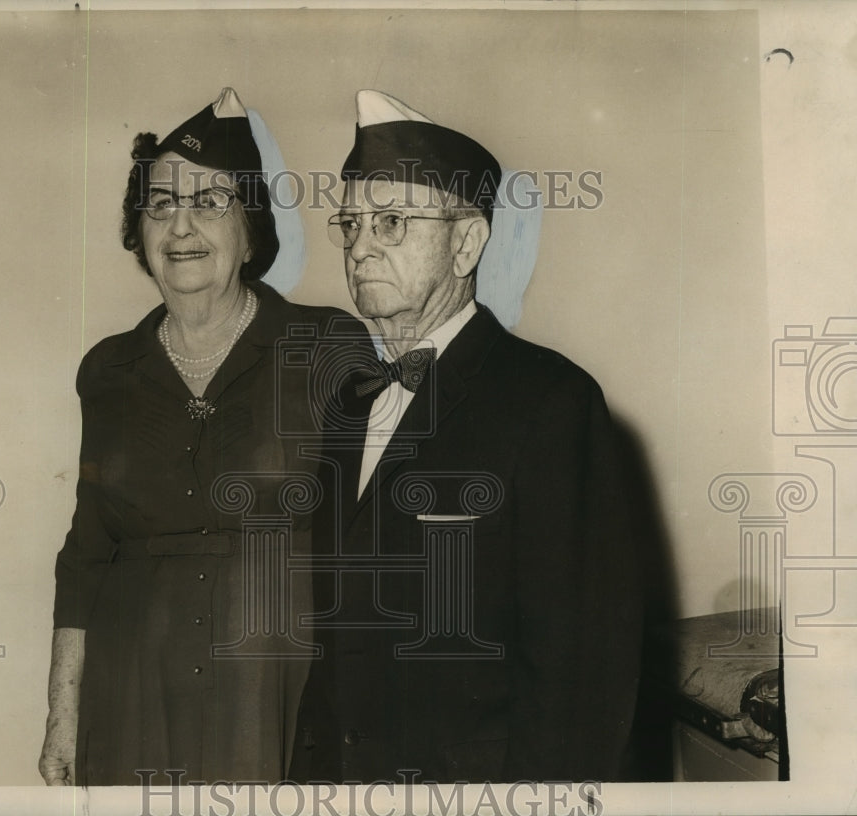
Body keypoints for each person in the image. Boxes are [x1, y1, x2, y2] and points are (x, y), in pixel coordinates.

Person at [289, 90, 643, 783]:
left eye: (392, 222)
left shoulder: (550, 402)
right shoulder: (349, 405)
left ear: (466, 242)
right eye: (351, 223)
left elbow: (581, 678)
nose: (360, 246)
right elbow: (338, 650)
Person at [38, 87, 368, 786]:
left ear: (251, 229)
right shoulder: (108, 371)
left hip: (277, 690)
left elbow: (375, 540)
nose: (180, 225)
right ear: (140, 232)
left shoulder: (327, 346)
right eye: (160, 203)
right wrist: (63, 713)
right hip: (131, 696)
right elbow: (88, 551)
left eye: (209, 202)